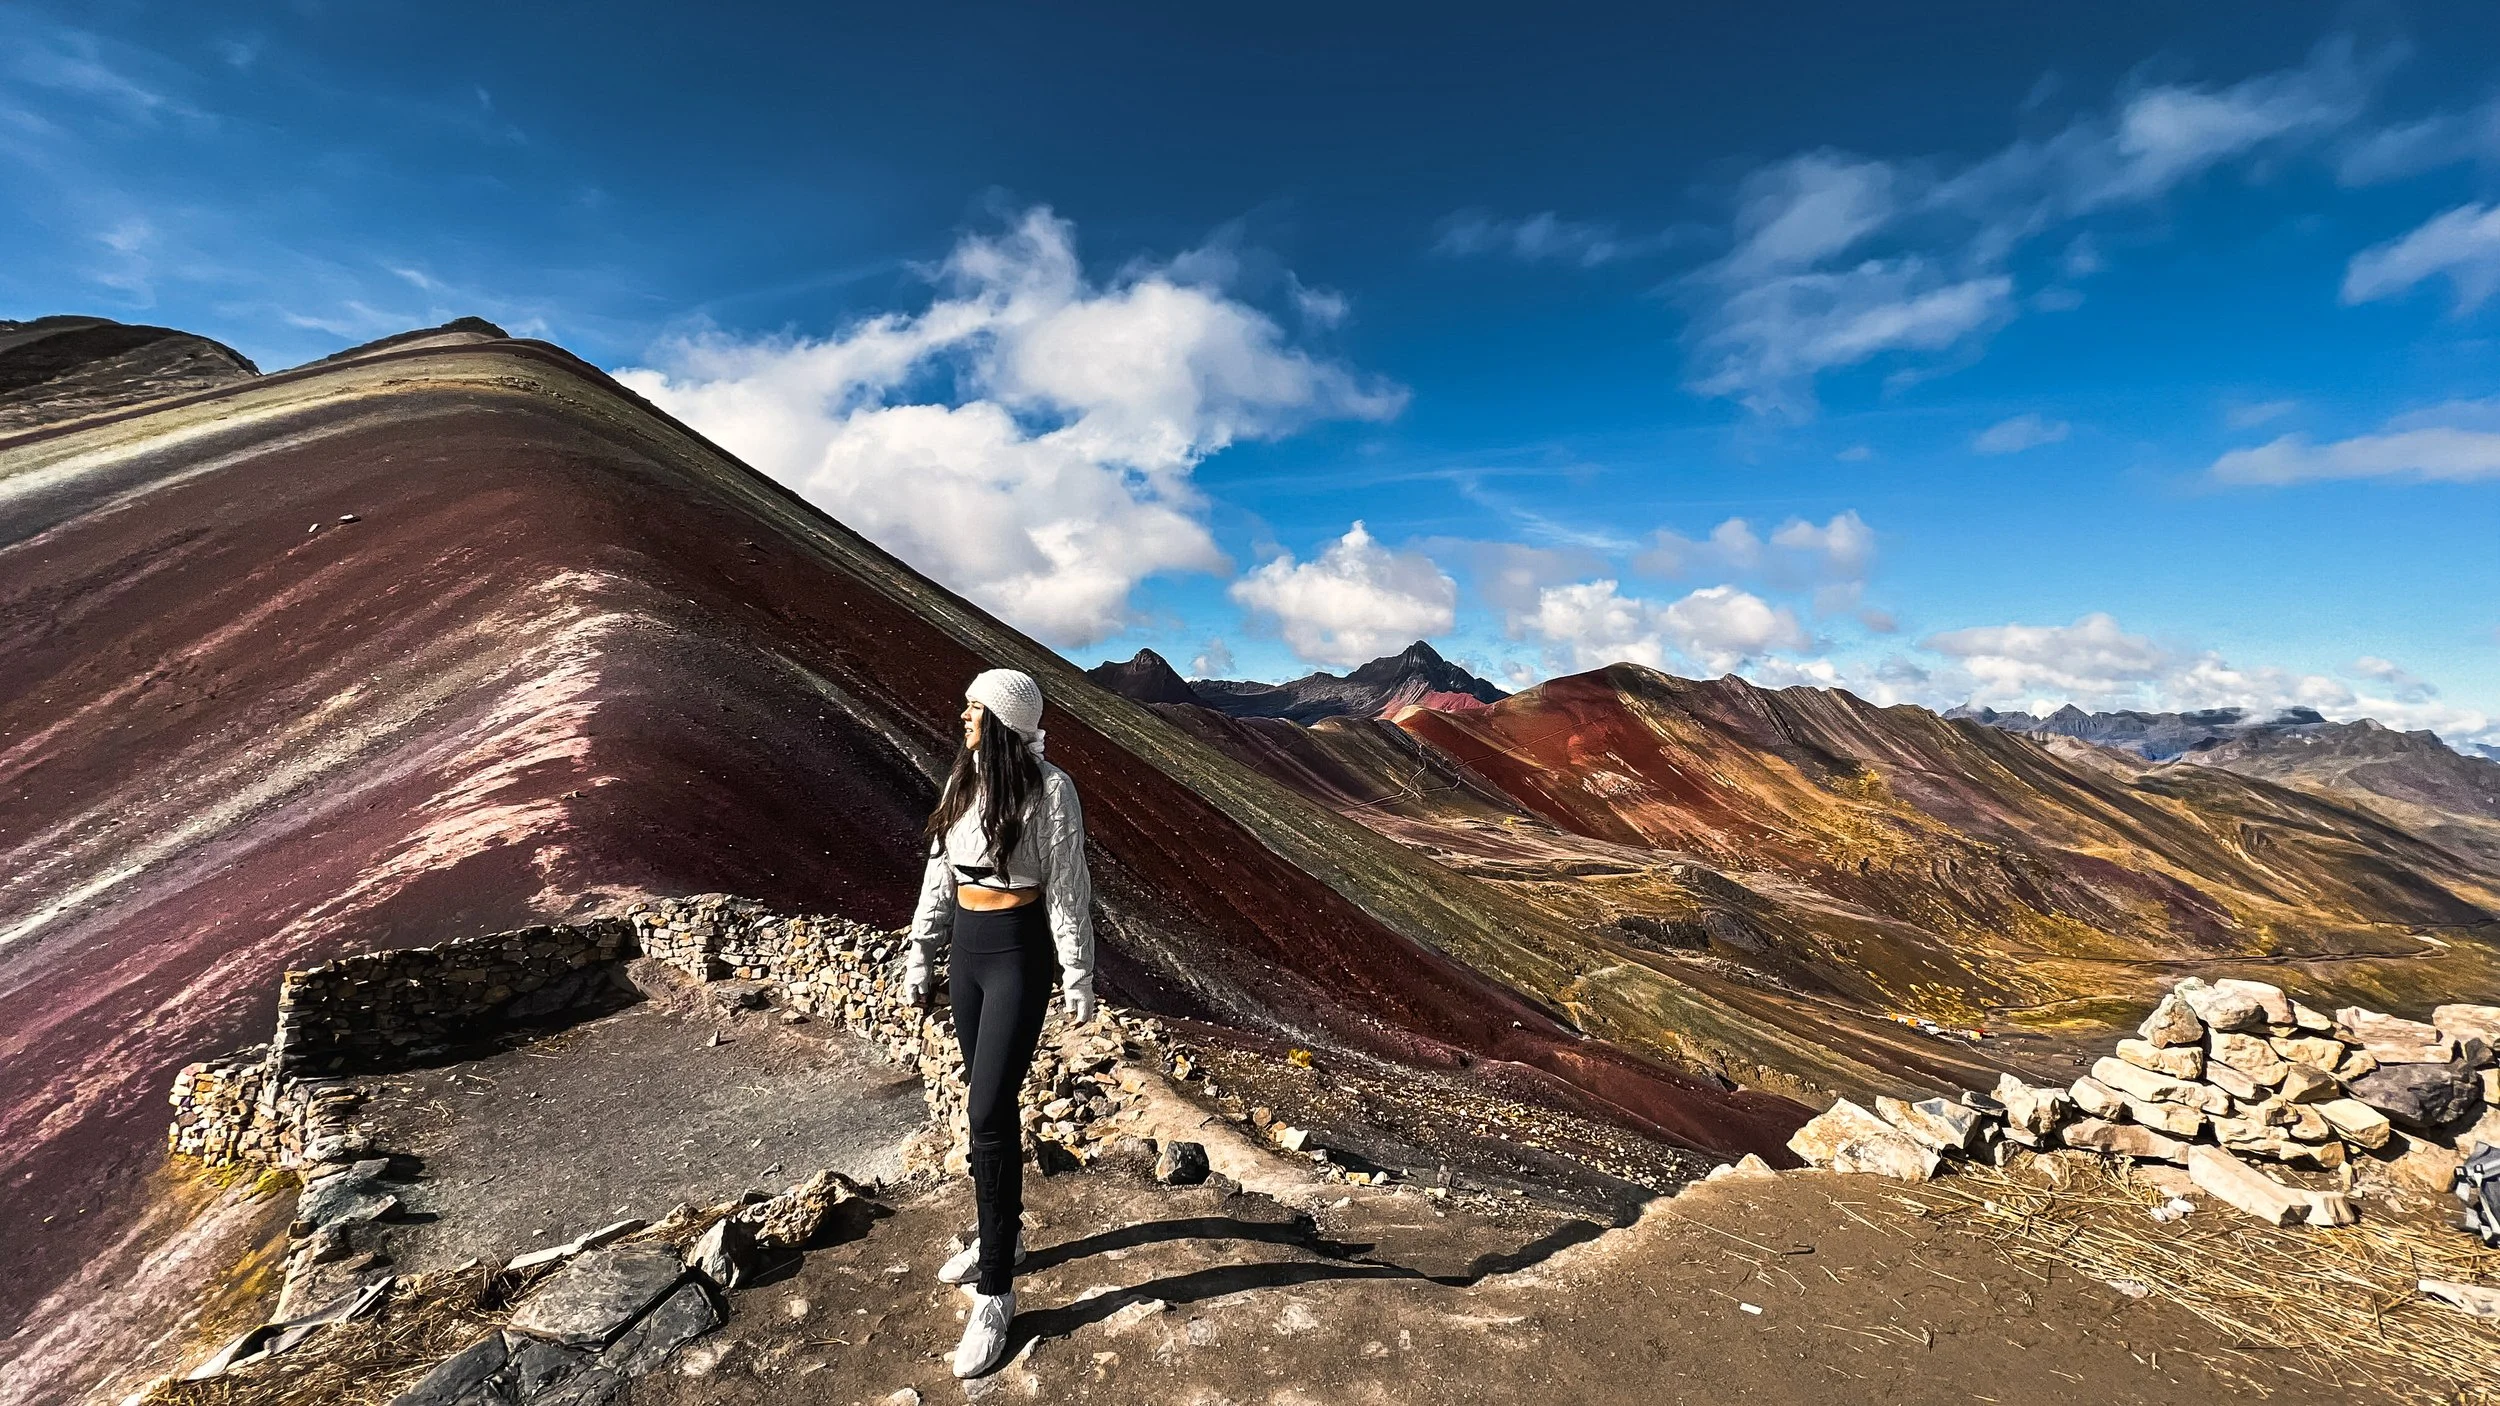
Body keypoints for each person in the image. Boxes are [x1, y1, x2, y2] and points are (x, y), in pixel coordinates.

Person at [902, 666, 1097, 1378]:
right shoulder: (962, 783)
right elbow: (937, 875)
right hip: (968, 953)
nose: (962, 719)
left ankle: (996, 1294)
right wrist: (921, 953)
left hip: (1018, 954)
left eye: (973, 710)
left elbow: (1068, 886)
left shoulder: (1050, 791)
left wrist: (1076, 972)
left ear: (1005, 720)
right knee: (993, 1114)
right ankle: (1002, 1239)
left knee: (985, 1110)